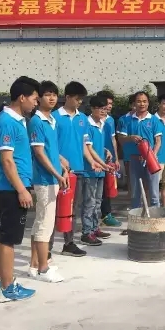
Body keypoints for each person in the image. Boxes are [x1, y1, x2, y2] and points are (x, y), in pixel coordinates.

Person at [0, 76, 40, 303]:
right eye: (34, 98)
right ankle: (7, 288)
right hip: (12, 188)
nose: (35, 102)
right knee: (9, 239)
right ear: (22, 97)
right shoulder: (7, 121)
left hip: (14, 186)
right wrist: (22, 190)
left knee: (5, 234)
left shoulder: (18, 120)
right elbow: (7, 161)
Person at [27, 80, 66, 283]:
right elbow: (39, 152)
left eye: (54, 94)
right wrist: (58, 174)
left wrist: (62, 161)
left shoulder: (51, 120)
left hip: (53, 177)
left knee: (40, 222)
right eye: (47, 94)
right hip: (45, 179)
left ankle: (34, 264)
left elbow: (51, 150)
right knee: (45, 224)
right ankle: (43, 267)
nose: (52, 98)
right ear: (39, 98)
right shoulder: (37, 121)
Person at [51, 81, 92, 257]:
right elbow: (51, 146)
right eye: (77, 99)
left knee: (72, 209)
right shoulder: (54, 117)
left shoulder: (83, 118)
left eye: (81, 99)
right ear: (67, 97)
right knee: (54, 209)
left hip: (78, 170)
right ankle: (47, 248)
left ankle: (69, 243)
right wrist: (60, 163)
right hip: (58, 171)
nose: (79, 102)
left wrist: (92, 161)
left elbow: (84, 145)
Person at [117, 91, 163, 209]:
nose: (142, 104)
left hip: (150, 159)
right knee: (135, 192)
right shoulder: (127, 120)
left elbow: (158, 141)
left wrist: (153, 155)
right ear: (134, 103)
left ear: (148, 103)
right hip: (134, 159)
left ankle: (155, 215)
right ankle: (136, 214)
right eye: (139, 101)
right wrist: (130, 137)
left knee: (154, 191)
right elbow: (121, 138)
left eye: (144, 101)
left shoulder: (154, 120)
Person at [81, 96, 113, 246]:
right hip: (90, 169)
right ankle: (87, 232)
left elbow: (96, 146)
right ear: (92, 108)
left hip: (100, 169)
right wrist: (101, 163)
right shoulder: (87, 124)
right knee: (90, 201)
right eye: (100, 108)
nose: (103, 111)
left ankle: (95, 228)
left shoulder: (102, 124)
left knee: (98, 201)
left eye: (105, 109)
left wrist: (105, 150)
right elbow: (88, 148)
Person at [95, 90, 122, 228]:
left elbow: (113, 139)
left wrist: (116, 158)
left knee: (109, 187)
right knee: (97, 190)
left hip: (109, 158)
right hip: (96, 158)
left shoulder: (110, 120)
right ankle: (97, 217)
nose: (110, 106)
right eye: (107, 103)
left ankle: (106, 214)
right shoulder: (92, 119)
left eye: (111, 103)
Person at [116, 95, 136, 208]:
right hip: (128, 154)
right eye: (134, 104)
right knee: (131, 179)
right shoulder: (123, 119)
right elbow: (120, 138)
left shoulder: (148, 118)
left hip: (143, 154)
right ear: (131, 105)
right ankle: (132, 202)